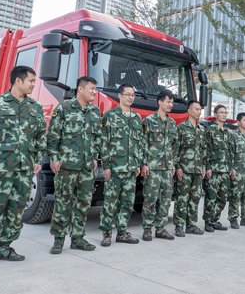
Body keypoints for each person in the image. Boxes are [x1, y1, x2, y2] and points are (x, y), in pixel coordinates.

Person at [0, 66, 47, 266]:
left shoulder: (35, 107)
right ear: (17, 81)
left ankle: (5, 247)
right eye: (31, 81)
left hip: (24, 170)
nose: (33, 84)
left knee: (16, 211)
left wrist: (38, 159)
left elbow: (41, 135)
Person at [48, 76, 101, 254]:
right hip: (67, 166)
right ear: (80, 88)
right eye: (92, 89)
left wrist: (94, 157)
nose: (94, 92)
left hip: (86, 167)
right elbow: (53, 135)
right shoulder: (64, 108)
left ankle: (78, 238)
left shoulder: (94, 111)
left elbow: (96, 138)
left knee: (83, 204)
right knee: (63, 203)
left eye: (95, 89)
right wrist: (54, 158)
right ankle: (58, 239)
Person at [98, 84, 142, 246]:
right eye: (128, 94)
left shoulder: (136, 118)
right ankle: (107, 233)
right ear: (120, 96)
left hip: (131, 169)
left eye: (133, 95)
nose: (131, 97)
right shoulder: (110, 116)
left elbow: (140, 143)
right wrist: (106, 166)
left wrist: (138, 164)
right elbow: (104, 142)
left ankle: (122, 232)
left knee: (127, 202)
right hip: (115, 167)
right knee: (110, 201)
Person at [141, 88, 178, 241]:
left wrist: (173, 162)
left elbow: (175, 145)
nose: (170, 104)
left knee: (165, 199)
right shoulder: (149, 121)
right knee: (150, 198)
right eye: (168, 102)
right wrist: (144, 163)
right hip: (153, 167)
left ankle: (161, 228)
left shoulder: (172, 123)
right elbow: (143, 143)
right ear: (160, 102)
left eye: (172, 102)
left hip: (168, 168)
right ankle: (147, 229)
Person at [173, 100, 207, 237]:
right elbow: (175, 149)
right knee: (182, 198)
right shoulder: (181, 128)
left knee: (195, 198)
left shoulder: (202, 130)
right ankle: (179, 225)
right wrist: (177, 167)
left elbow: (204, 150)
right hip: (185, 169)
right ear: (189, 111)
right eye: (196, 109)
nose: (198, 112)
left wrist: (204, 166)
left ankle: (191, 224)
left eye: (200, 110)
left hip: (198, 170)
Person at [203, 105, 234, 232]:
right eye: (221, 112)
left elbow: (230, 152)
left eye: (225, 112)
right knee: (211, 197)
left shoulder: (227, 132)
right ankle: (208, 222)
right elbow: (206, 149)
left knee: (222, 197)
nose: (224, 114)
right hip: (214, 170)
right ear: (215, 114)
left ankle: (215, 220)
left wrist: (231, 168)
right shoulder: (210, 130)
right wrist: (208, 167)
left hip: (225, 170)